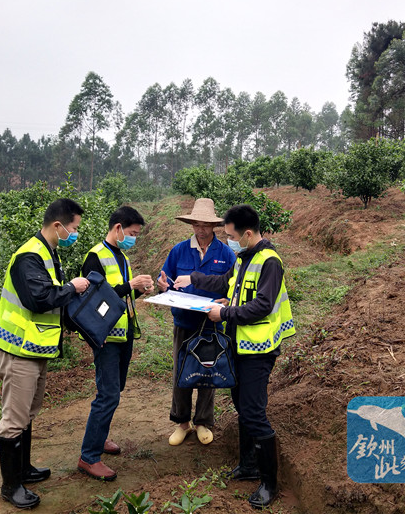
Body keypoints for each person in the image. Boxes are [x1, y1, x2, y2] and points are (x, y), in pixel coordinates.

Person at [174, 204, 295, 510]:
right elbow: (225, 283)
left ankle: (270, 483)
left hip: (259, 350)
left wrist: (224, 312)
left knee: (253, 411)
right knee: (242, 406)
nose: (228, 241)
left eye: (230, 236)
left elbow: (263, 305)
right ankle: (249, 464)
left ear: (248, 234)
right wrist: (194, 279)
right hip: (239, 346)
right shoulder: (244, 258)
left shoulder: (269, 262)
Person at [0, 198, 90, 509]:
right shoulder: (29, 256)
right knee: (14, 418)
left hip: (34, 348)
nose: (75, 233)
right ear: (58, 226)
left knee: (27, 412)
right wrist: (72, 287)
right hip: (17, 349)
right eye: (74, 228)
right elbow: (39, 298)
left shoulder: (48, 252)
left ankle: (23, 470)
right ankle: (10, 487)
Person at [77, 206, 153, 481]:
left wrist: (138, 289)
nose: (134, 238)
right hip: (106, 337)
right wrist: (130, 285)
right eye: (132, 233)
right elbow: (94, 298)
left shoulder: (122, 256)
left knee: (114, 389)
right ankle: (89, 457)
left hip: (124, 335)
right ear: (118, 228)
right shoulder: (95, 256)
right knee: (108, 394)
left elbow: (122, 296)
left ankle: (100, 436)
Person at [155, 198, 236, 447]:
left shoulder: (225, 253)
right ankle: (182, 422)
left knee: (207, 371)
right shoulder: (179, 250)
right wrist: (162, 284)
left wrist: (227, 300)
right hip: (184, 321)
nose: (200, 230)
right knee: (182, 370)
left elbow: (234, 285)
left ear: (213, 226)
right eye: (196, 225)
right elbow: (165, 278)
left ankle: (203, 421)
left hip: (211, 323)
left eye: (205, 225)